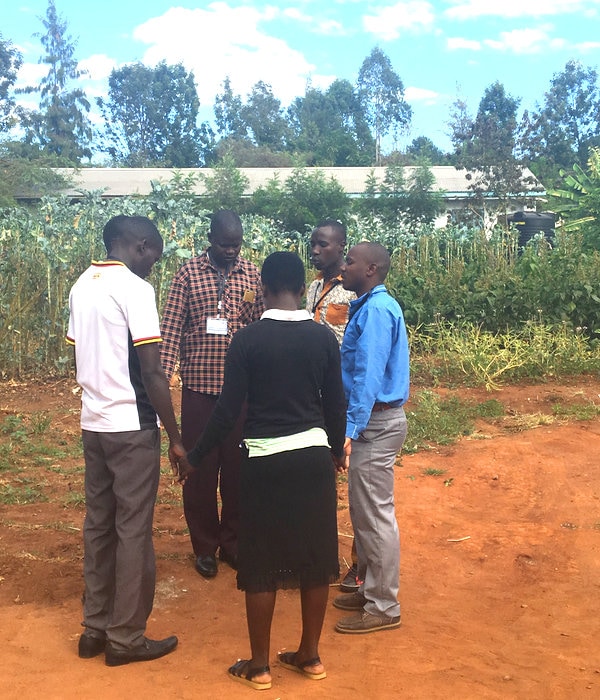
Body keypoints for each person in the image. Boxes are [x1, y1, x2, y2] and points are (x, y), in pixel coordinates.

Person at [179, 251, 347, 691]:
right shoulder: (323, 339)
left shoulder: (248, 341)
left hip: (265, 460)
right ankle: (309, 656)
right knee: (315, 560)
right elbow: (336, 404)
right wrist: (334, 451)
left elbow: (226, 412)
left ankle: (259, 666)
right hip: (312, 457)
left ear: (266, 289)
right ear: (298, 286)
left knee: (261, 564)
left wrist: (194, 457)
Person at [66, 215, 189, 666]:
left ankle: (93, 629)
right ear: (139, 246)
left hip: (93, 423)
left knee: (99, 524)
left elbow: (85, 350)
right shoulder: (136, 290)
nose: (154, 263)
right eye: (154, 253)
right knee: (132, 529)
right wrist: (175, 437)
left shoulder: (83, 284)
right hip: (131, 427)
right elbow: (152, 371)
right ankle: (126, 638)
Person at [160, 210, 264, 578]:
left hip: (240, 394)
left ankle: (233, 543)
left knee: (238, 471)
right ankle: (204, 546)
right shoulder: (188, 273)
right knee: (200, 470)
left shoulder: (252, 274)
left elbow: (262, 327)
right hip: (199, 391)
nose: (231, 250)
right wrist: (162, 375)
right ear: (210, 238)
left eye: (236, 244)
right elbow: (172, 328)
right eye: (224, 244)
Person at [332, 241, 410, 634]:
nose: (343, 266)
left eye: (350, 261)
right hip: (373, 423)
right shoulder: (368, 306)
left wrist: (349, 430)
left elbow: (368, 376)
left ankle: (384, 605)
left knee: (376, 515)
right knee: (365, 513)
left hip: (375, 424)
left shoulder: (377, 310)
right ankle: (371, 591)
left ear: (372, 269)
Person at [306, 218, 360, 592]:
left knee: (356, 482)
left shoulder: (354, 291)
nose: (316, 250)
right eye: (313, 244)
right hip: (312, 396)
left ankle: (359, 565)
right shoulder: (311, 288)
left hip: (343, 396)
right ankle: (315, 555)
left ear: (341, 247)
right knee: (318, 476)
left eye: (323, 244)